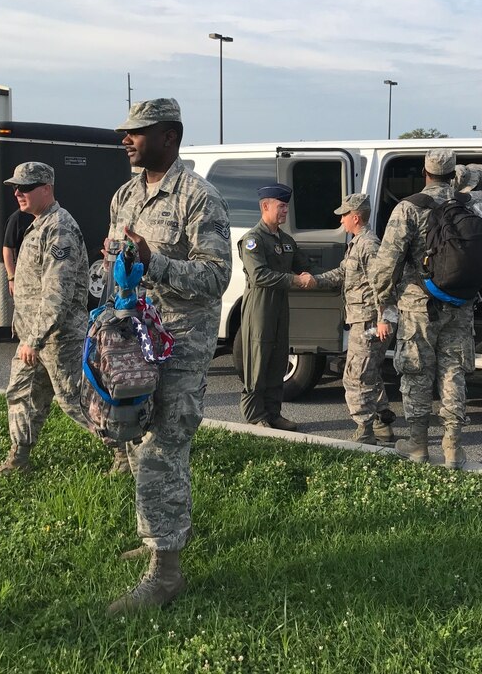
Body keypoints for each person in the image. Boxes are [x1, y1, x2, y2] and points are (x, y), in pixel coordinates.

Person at [103, 97, 232, 615]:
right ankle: (160, 533)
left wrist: (154, 261)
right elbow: (114, 259)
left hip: (180, 343)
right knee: (137, 438)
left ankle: (166, 573)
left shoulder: (198, 197)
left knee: (163, 445)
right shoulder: (125, 195)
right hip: (134, 339)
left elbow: (216, 276)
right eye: (126, 132)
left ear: (169, 137)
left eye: (137, 132)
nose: (126, 140)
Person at [370, 140, 482, 468]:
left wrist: (383, 306)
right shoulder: (472, 202)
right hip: (460, 304)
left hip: (418, 306)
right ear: (453, 175)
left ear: (425, 172)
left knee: (416, 373)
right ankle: (452, 447)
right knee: (453, 373)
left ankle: (418, 445)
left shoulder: (408, 208)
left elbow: (385, 266)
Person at [0, 162, 103, 481]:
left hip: (59, 338)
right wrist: (29, 337)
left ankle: (127, 452)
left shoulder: (59, 228)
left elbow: (57, 293)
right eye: (15, 187)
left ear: (47, 189)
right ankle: (18, 461)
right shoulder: (37, 224)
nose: (18, 193)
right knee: (22, 393)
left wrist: (35, 339)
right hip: (34, 338)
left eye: (26, 187)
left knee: (76, 402)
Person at [314, 193, 397, 444]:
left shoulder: (369, 245)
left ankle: (365, 429)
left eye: (344, 216)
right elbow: (343, 272)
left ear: (356, 217)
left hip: (370, 321)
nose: (341, 220)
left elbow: (381, 283)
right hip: (364, 319)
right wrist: (314, 280)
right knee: (369, 371)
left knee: (355, 376)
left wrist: (383, 319)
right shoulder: (358, 243)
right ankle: (382, 421)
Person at [238, 184, 315, 431]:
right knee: (258, 359)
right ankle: (255, 415)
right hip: (260, 306)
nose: (285, 211)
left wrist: (317, 275)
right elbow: (259, 275)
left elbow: (305, 266)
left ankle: (273, 413)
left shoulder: (286, 241)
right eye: (281, 206)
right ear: (265, 206)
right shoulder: (253, 240)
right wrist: (296, 280)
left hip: (280, 304)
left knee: (278, 358)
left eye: (286, 207)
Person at [2, 208, 33, 295]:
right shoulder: (18, 217)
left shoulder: (52, 216)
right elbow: (7, 248)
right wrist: (12, 278)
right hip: (26, 282)